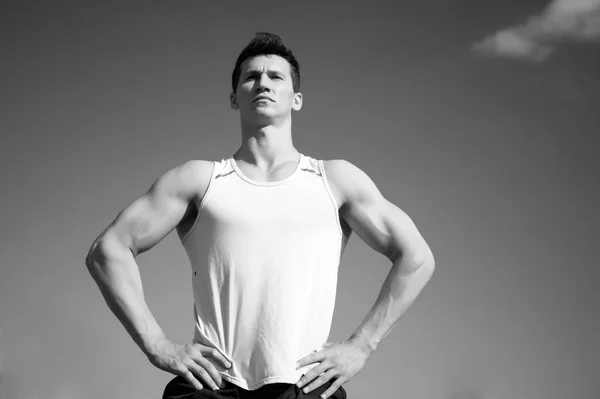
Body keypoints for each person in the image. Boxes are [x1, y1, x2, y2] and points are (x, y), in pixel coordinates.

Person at [85, 32, 435, 399]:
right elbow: (108, 251)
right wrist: (157, 345)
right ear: (235, 98)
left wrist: (362, 345)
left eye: (275, 76)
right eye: (250, 76)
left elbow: (417, 258)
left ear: (296, 99)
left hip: (304, 386)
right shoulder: (200, 180)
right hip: (212, 386)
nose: (262, 83)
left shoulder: (335, 180)